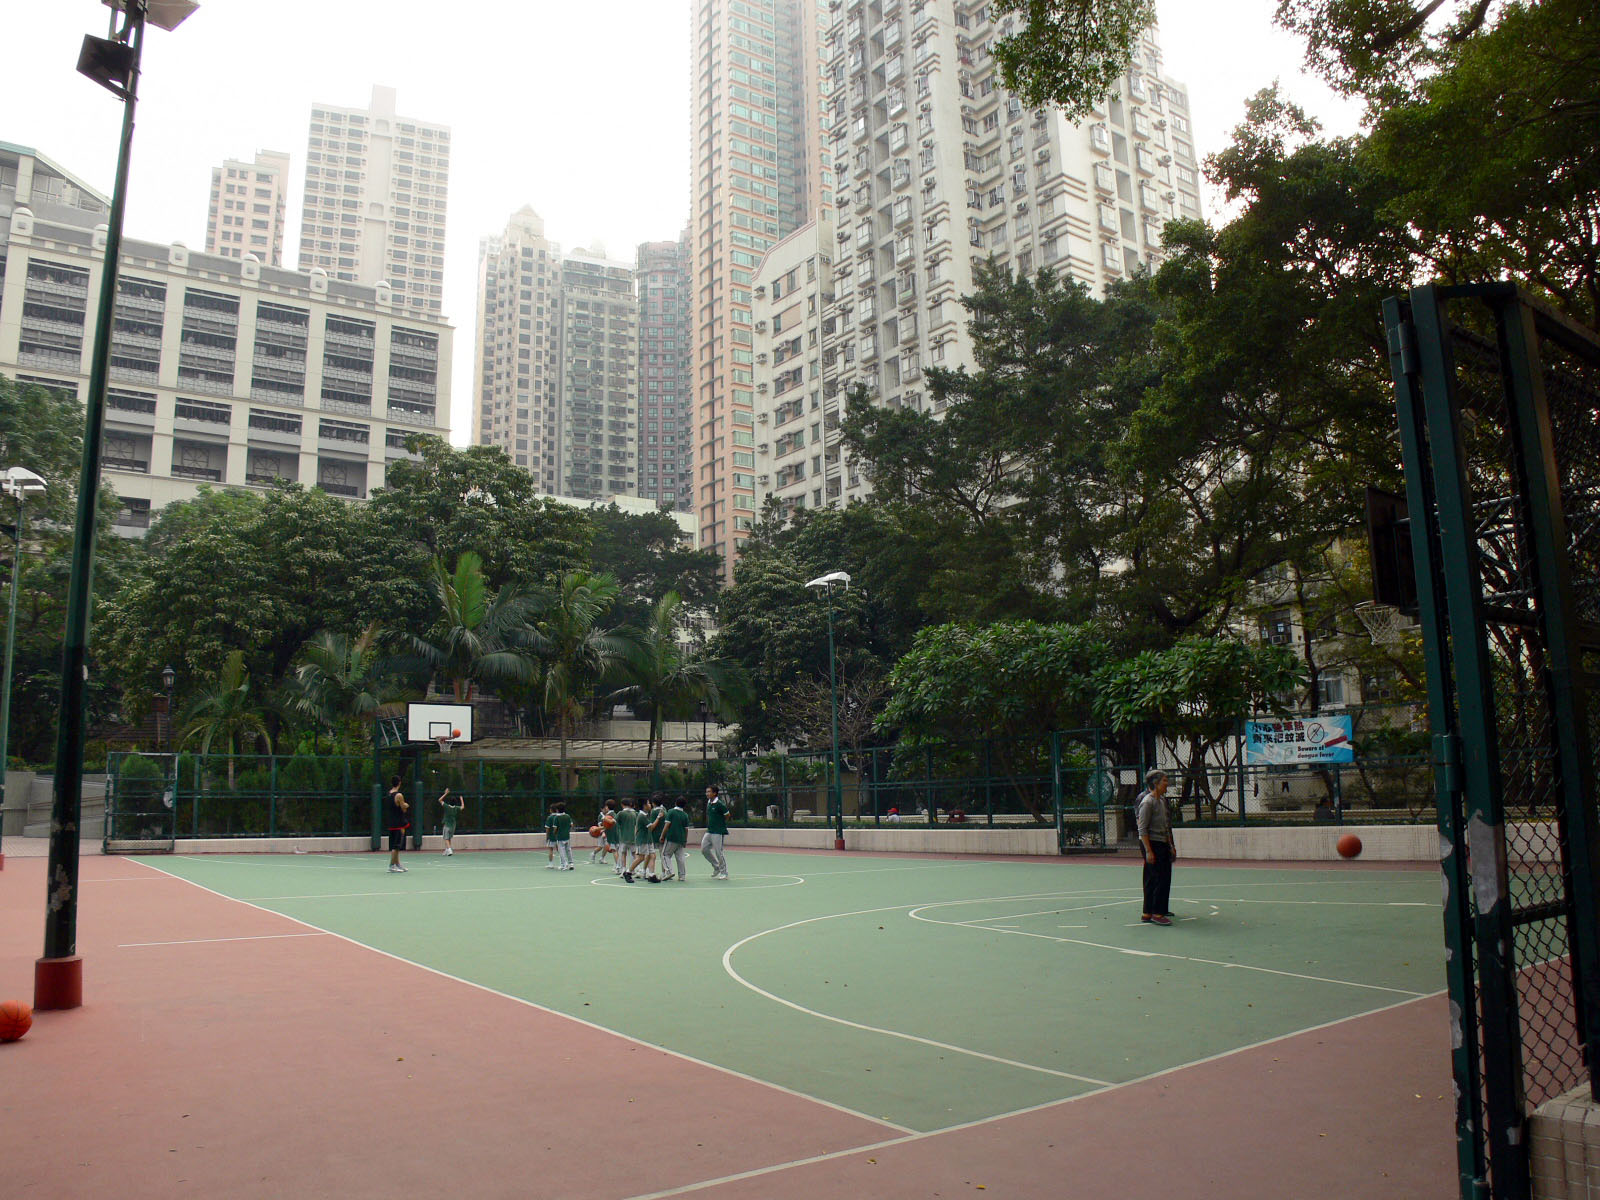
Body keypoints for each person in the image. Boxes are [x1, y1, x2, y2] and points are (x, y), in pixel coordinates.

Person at [1136, 769, 1176, 926]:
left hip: (1162, 842)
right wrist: (1148, 850)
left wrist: (1170, 845)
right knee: (1156, 878)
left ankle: (1151, 911)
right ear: (1155, 783)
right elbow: (1142, 829)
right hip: (1152, 842)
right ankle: (1156, 913)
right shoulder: (1147, 802)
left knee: (1162, 877)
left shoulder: (1161, 801)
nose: (1167, 784)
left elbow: (1166, 825)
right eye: (1164, 781)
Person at [701, 784, 730, 880]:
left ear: (715, 793)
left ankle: (724, 872)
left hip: (718, 831)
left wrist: (720, 823)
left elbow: (727, 815)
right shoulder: (709, 802)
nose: (707, 793)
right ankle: (716, 867)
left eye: (709, 792)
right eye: (706, 792)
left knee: (718, 852)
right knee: (704, 849)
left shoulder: (720, 804)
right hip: (709, 831)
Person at [661, 794, 691, 881]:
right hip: (681, 839)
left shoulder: (671, 812)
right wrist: (685, 840)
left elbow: (667, 825)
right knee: (680, 857)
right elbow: (686, 830)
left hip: (671, 837)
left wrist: (662, 836)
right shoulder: (685, 815)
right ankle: (682, 876)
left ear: (675, 803)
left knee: (665, 854)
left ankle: (669, 871)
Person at [386, 775, 410, 873]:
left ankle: (397, 864)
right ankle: (391, 865)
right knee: (396, 846)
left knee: (395, 845)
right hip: (399, 823)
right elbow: (403, 808)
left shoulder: (388, 794)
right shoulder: (399, 795)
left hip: (391, 822)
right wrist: (406, 805)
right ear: (399, 782)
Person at [614, 798, 641, 883]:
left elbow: (614, 822)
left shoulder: (621, 813)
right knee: (635, 855)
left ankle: (623, 870)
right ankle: (637, 870)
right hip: (634, 837)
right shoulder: (636, 813)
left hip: (623, 838)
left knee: (623, 854)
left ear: (622, 804)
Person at [438, 786, 465, 856]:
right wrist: (461, 799)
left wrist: (446, 793)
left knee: (446, 838)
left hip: (447, 825)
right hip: (453, 826)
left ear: (449, 802)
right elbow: (462, 807)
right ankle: (447, 849)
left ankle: (449, 849)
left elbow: (440, 800)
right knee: (449, 838)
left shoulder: (446, 807)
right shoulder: (456, 808)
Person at [550, 801, 574, 870]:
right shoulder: (567, 816)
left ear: (557, 810)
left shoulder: (556, 818)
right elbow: (571, 825)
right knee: (569, 850)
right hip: (567, 836)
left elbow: (555, 828)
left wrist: (555, 833)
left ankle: (564, 864)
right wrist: (567, 830)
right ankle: (571, 864)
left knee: (562, 851)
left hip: (560, 837)